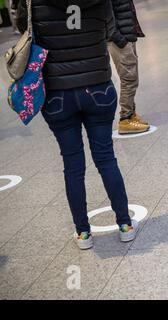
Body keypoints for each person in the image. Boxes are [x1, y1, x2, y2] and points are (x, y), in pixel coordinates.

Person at [17, 0, 138, 250]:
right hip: (98, 87)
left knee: (72, 165)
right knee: (106, 158)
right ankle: (125, 225)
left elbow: (23, 27)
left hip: (57, 93)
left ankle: (83, 233)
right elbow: (109, 29)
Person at [109, 0, 149, 135]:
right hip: (120, 39)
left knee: (132, 78)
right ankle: (125, 119)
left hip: (127, 35)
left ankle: (131, 114)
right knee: (129, 80)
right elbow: (106, 17)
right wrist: (120, 40)